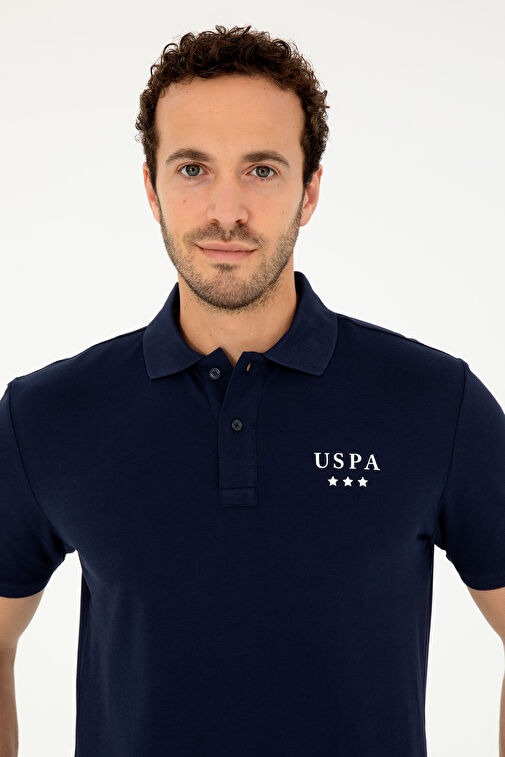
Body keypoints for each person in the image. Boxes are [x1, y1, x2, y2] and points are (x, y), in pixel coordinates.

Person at [0, 24, 504, 757]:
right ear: (152, 188)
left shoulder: (435, 402)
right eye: (193, 168)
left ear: (310, 190)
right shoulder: (47, 414)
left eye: (262, 170)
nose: (227, 211)